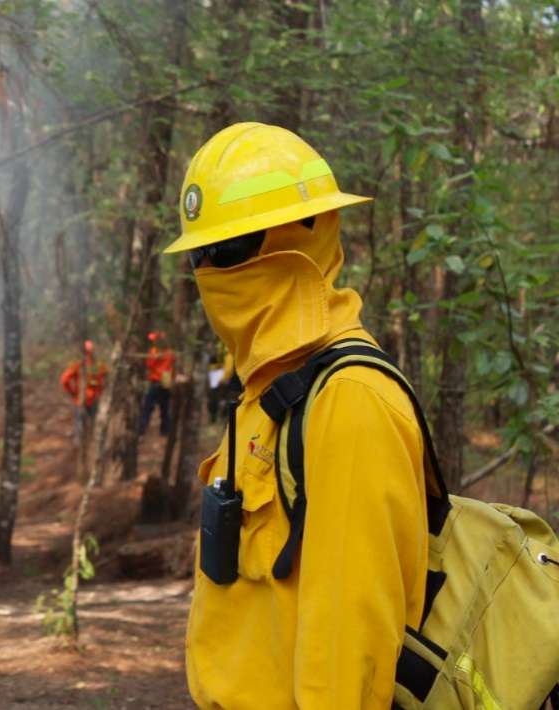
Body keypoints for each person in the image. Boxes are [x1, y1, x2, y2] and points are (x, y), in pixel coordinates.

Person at [167, 123, 428, 708]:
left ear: (303, 238)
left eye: (229, 249)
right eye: (200, 255)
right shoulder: (269, 390)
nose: (210, 269)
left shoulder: (349, 398)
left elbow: (349, 647)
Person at [60, 340, 108, 442]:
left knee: (79, 425)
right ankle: (94, 445)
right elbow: (107, 377)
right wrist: (101, 390)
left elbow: (64, 379)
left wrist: (72, 392)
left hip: (81, 399)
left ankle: (79, 444)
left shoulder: (78, 364)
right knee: (94, 425)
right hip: (94, 398)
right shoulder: (99, 364)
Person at [137, 331, 174, 436]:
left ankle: (142, 429)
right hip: (165, 383)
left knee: (148, 407)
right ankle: (165, 431)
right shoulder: (169, 352)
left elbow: (149, 364)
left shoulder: (155, 351)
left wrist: (154, 356)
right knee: (164, 408)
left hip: (156, 382)